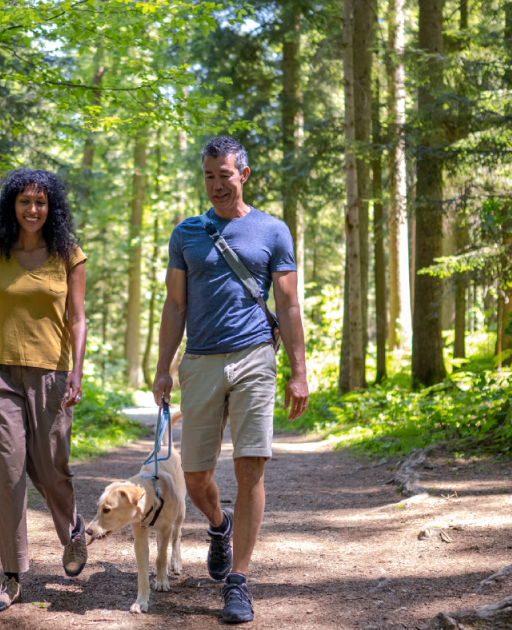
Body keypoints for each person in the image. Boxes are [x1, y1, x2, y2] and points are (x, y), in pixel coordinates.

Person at [151, 136, 309, 624]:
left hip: (255, 357)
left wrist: (300, 371)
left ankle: (238, 581)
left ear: (243, 174)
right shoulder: (186, 233)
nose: (217, 185)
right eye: (209, 176)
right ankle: (218, 526)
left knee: (250, 467)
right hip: (199, 360)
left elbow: (287, 305)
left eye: (225, 174)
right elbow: (175, 304)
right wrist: (162, 366)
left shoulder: (273, 231)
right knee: (195, 477)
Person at [0, 168, 90, 612]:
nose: (32, 209)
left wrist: (77, 372)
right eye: (25, 201)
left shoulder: (69, 255)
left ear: (52, 208)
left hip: (50, 374)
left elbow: (77, 319)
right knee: (7, 475)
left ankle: (74, 530)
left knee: (49, 472)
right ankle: (11, 575)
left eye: (41, 202)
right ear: (12, 205)